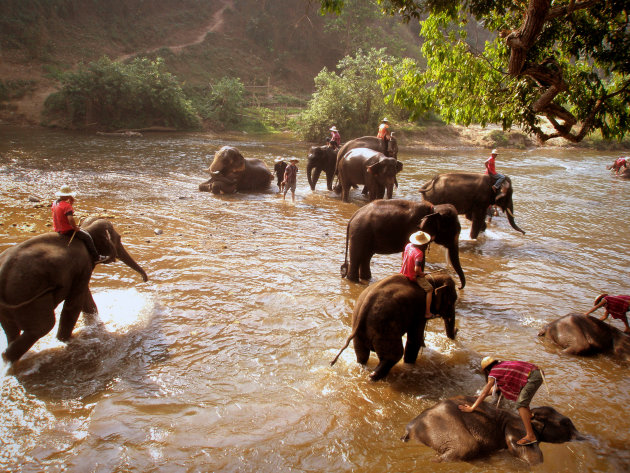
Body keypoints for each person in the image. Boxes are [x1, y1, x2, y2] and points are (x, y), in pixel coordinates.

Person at [459, 357, 543, 446]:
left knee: (521, 405)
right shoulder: (502, 366)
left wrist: (472, 408)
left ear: (486, 370)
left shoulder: (493, 373)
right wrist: (479, 397)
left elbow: (485, 391)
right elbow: (498, 387)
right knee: (523, 398)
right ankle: (528, 415)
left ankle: (530, 436)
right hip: (537, 372)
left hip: (532, 378)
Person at [51, 185, 108, 264]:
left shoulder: (55, 203)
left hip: (57, 229)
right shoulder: (67, 206)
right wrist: (75, 228)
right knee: (87, 237)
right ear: (68, 195)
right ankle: (97, 257)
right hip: (66, 230)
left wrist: (71, 203)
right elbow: (70, 219)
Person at [400, 231, 435, 318]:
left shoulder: (408, 245)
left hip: (402, 272)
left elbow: (403, 256)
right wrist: (421, 274)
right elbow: (416, 269)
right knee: (430, 289)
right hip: (411, 276)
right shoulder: (419, 253)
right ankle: (427, 313)